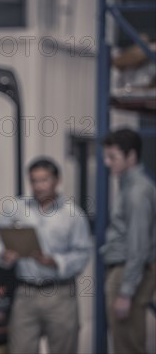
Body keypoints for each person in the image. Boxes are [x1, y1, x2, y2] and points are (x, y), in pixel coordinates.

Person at [0, 157, 91, 354]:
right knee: (20, 348)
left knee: (64, 348)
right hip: (25, 293)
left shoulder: (73, 215)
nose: (38, 186)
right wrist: (3, 254)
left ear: (57, 180)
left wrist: (56, 261)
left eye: (44, 180)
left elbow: (83, 253)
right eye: (34, 181)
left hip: (60, 294)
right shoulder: (16, 208)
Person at [101, 128, 156, 354]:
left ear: (131, 156)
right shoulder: (129, 186)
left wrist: (125, 292)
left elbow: (138, 246)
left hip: (129, 271)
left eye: (113, 157)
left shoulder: (137, 192)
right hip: (126, 270)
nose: (107, 162)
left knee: (128, 344)